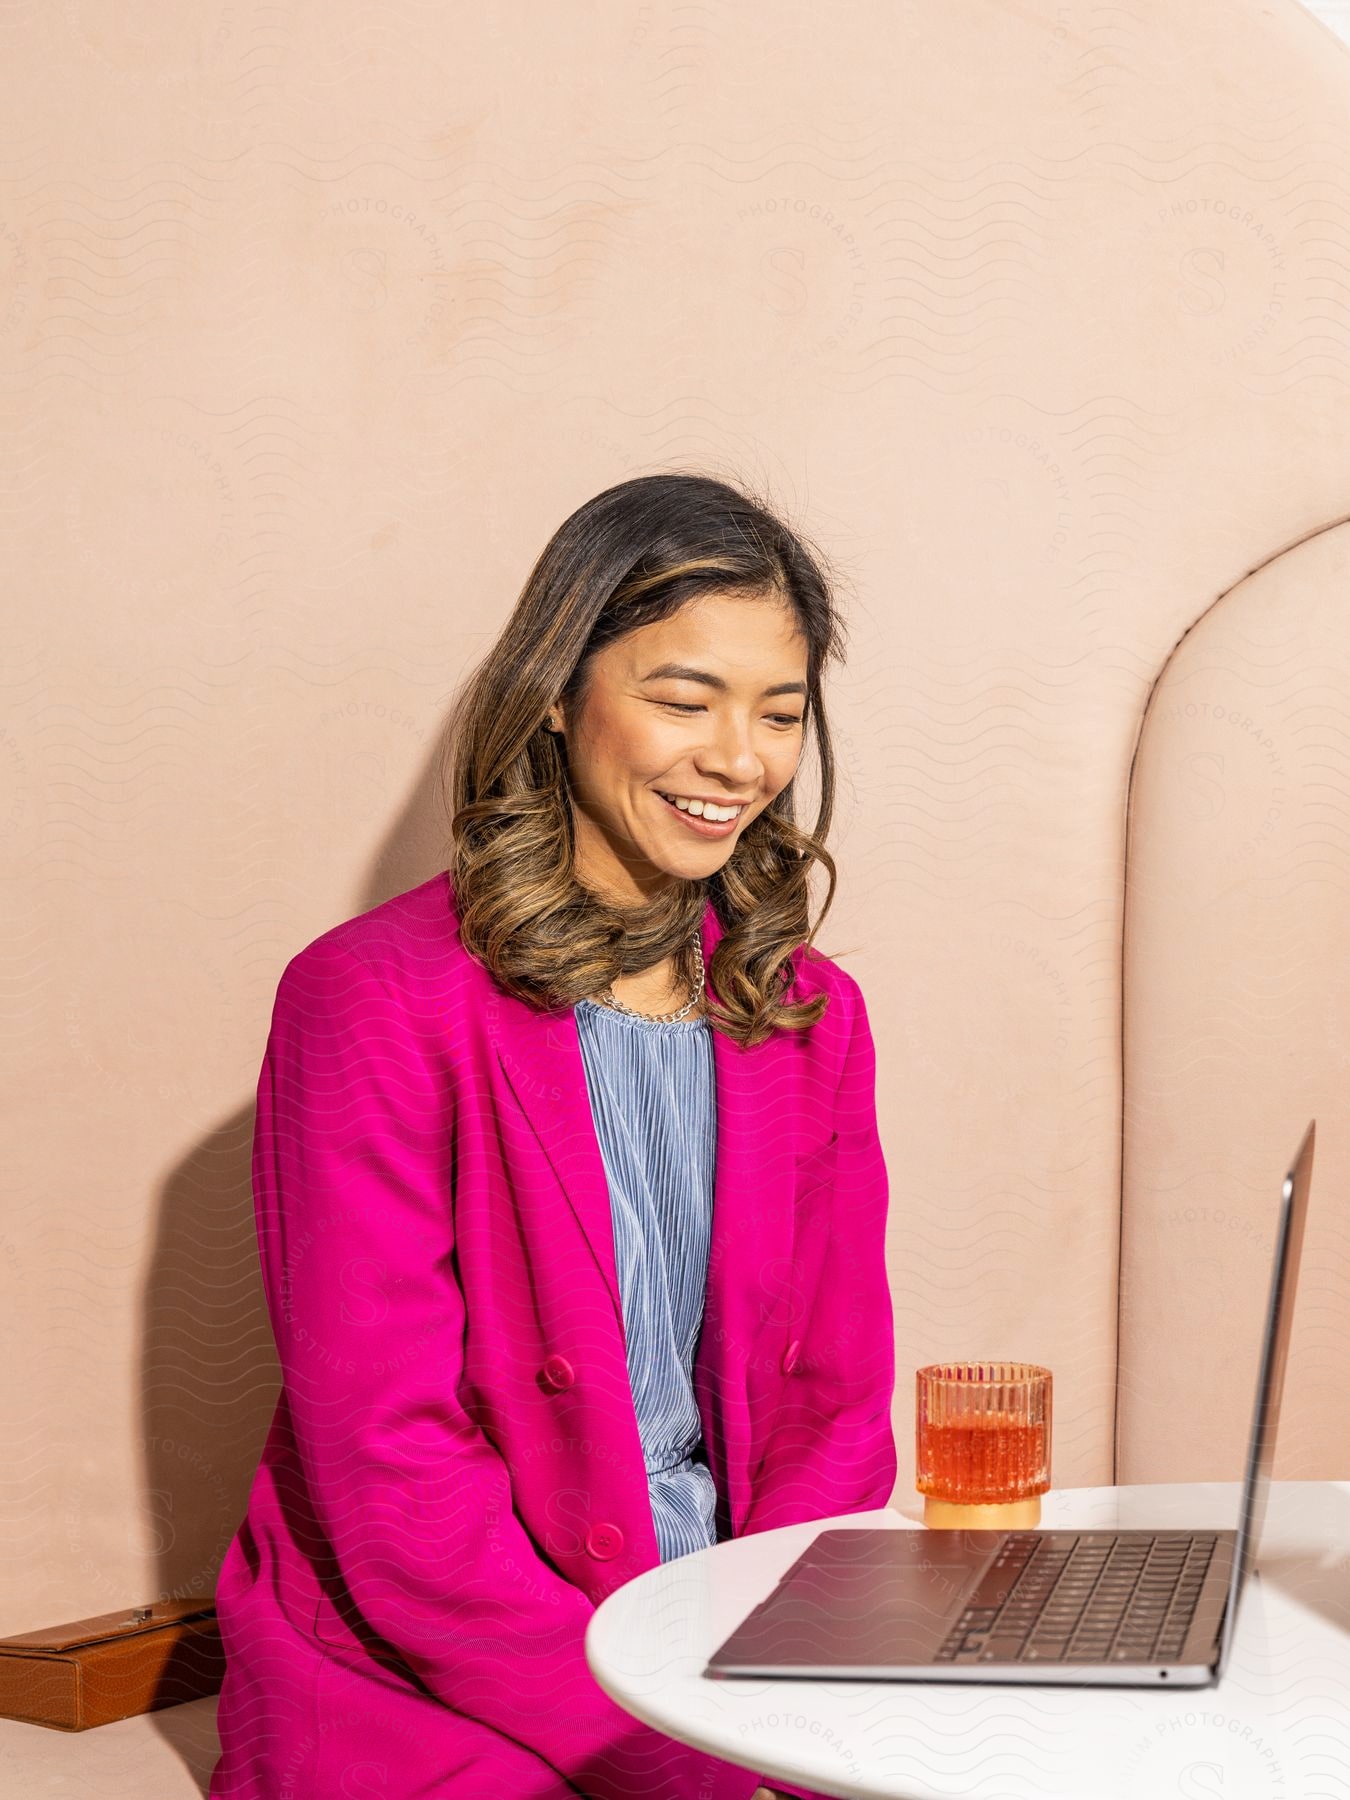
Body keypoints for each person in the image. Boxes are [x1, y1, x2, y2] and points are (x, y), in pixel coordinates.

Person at [208, 471, 897, 1800]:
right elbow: (392, 1470)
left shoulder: (811, 1014)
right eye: (683, 700)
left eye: (778, 713)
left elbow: (831, 1406)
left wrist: (790, 1692)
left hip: (725, 1614)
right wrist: (671, 1753)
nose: (739, 760)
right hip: (440, 1652)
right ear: (560, 695)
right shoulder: (370, 999)